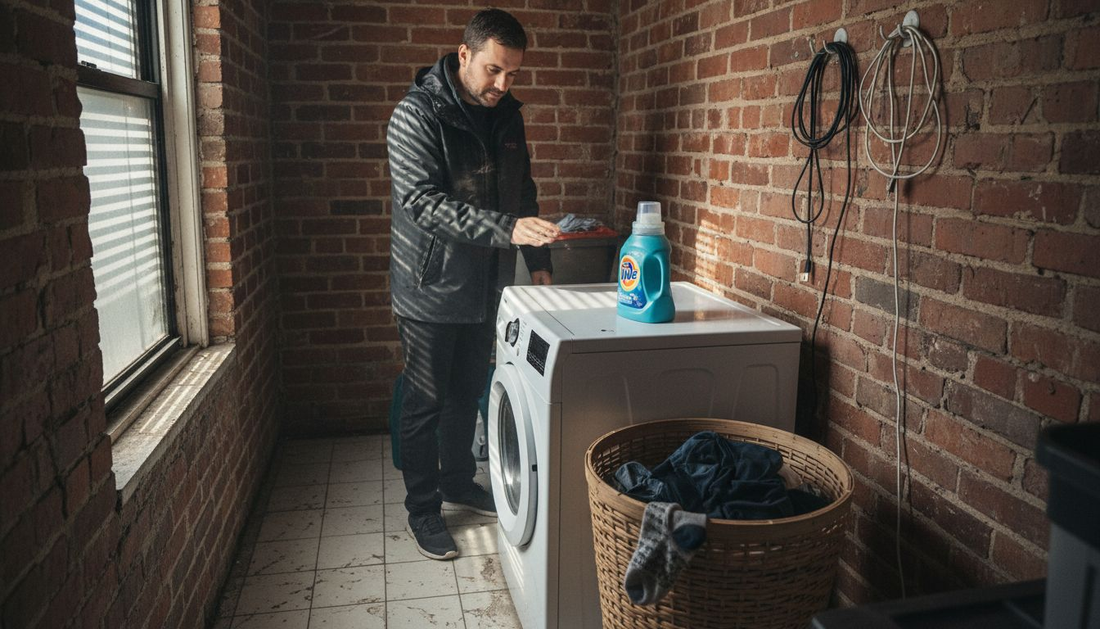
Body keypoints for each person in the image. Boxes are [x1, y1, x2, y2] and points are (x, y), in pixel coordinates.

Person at [386, 8, 561, 560]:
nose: (503, 85)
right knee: (425, 401)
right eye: (493, 70)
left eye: (513, 73)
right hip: (429, 287)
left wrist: (536, 262)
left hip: (487, 286)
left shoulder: (506, 114)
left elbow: (521, 190)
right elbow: (422, 205)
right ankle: (423, 510)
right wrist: (509, 229)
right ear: (464, 55)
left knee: (468, 394)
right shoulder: (415, 115)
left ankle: (459, 483)